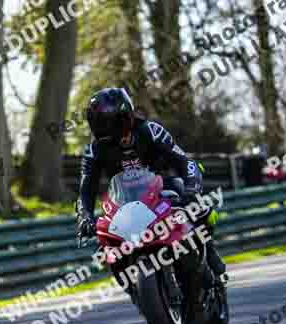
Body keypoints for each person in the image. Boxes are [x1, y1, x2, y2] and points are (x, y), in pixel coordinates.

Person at [76, 87, 226, 283]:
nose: (106, 129)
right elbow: (86, 188)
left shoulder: (149, 130)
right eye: (100, 124)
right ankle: (133, 285)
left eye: (109, 122)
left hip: (164, 187)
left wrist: (191, 190)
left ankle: (209, 252)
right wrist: (85, 216)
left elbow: (184, 162)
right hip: (125, 201)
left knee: (194, 204)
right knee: (106, 243)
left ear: (125, 115)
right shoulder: (94, 150)